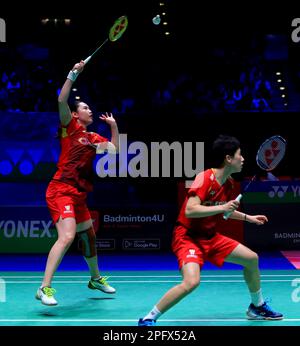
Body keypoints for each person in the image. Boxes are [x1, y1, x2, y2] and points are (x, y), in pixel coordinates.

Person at [138, 135, 283, 325]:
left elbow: (225, 211)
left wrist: (249, 218)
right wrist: (222, 208)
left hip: (210, 237)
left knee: (251, 259)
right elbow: (191, 210)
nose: (243, 158)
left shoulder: (229, 183)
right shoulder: (204, 178)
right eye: (240, 154)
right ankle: (149, 318)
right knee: (191, 282)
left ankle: (257, 306)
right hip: (187, 237)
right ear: (228, 158)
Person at [36, 60, 119, 305]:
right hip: (60, 189)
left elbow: (113, 150)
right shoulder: (69, 128)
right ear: (75, 114)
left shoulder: (93, 137)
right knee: (67, 236)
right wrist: (73, 73)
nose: (90, 110)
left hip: (78, 193)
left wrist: (114, 127)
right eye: (85, 107)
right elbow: (61, 100)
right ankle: (44, 287)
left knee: (88, 235)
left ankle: (95, 279)